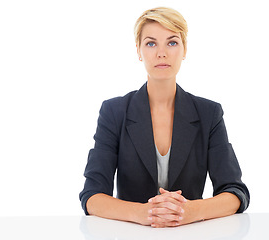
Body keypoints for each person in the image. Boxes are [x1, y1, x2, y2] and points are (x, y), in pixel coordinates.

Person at [79, 7, 249, 228]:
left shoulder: (209, 113)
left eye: (172, 42)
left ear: (184, 49)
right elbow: (92, 197)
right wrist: (144, 213)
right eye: (150, 43)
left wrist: (189, 211)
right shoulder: (114, 112)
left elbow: (235, 192)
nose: (162, 53)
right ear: (138, 51)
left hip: (191, 234)